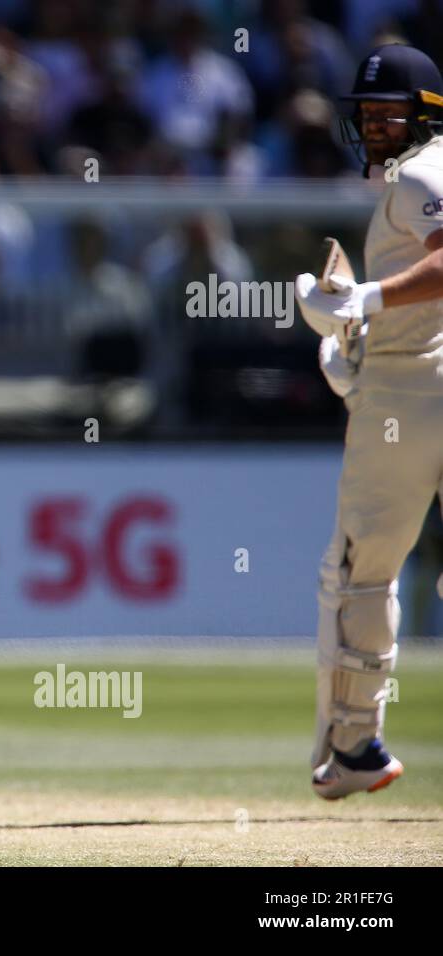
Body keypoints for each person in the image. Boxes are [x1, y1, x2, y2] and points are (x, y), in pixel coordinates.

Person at [295, 43, 443, 799]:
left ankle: (354, 746)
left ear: (425, 113)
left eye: (391, 113)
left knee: (361, 572)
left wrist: (366, 306)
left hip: (411, 397)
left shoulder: (423, 173)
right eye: (368, 114)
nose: (377, 126)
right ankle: (354, 746)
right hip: (403, 378)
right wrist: (359, 342)